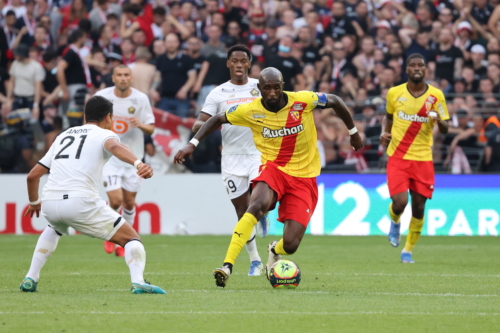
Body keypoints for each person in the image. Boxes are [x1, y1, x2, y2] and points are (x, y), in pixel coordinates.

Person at [174, 67, 363, 287]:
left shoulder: (303, 100)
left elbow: (335, 101)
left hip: (304, 177)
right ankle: (227, 265)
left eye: (276, 87)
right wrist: (192, 143)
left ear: (282, 86)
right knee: (255, 206)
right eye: (267, 88)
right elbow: (217, 119)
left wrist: (353, 132)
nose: (272, 92)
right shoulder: (250, 110)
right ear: (259, 89)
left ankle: (274, 249)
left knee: (291, 244)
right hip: (274, 168)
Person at [19, 95, 165, 294]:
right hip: (81, 202)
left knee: (54, 228)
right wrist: (138, 163)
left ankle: (30, 277)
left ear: (85, 116)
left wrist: (34, 202)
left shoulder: (62, 136)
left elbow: (32, 176)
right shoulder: (105, 134)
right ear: (108, 117)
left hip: (50, 202)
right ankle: (138, 281)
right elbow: (115, 147)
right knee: (132, 239)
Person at [192, 45, 270, 277]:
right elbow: (199, 123)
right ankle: (255, 260)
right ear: (228, 64)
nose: (238, 65)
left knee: (257, 200)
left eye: (243, 61)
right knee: (241, 211)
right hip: (232, 157)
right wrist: (216, 123)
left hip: (259, 152)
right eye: (234, 61)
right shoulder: (218, 93)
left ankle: (263, 214)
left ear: (249, 63)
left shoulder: (260, 86)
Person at [381, 53, 450, 264]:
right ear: (407, 70)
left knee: (419, 207)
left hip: (423, 158)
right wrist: (385, 132)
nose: (417, 68)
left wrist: (439, 120)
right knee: (400, 203)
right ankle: (394, 221)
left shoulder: (436, 96)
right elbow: (389, 117)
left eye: (421, 65)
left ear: (426, 69)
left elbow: (446, 129)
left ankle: (407, 251)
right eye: (413, 65)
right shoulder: (395, 93)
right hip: (399, 156)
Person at [95, 65, 155, 257]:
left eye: (126, 75)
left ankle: (125, 242)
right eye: (119, 75)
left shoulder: (140, 98)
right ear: (113, 78)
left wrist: (141, 125)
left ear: (131, 78)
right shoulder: (102, 97)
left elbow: (151, 128)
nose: (122, 78)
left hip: (133, 158)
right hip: (110, 158)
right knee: (115, 200)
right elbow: (90, 123)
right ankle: (110, 234)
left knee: (129, 203)